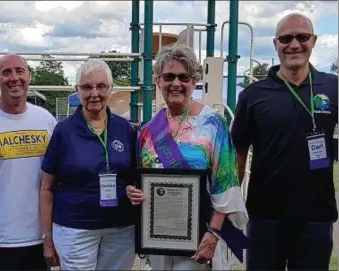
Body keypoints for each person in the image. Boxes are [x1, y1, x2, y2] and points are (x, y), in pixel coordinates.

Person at [127, 44, 249, 270]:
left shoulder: (213, 124)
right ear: (158, 81)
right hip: (158, 236)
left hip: (200, 236)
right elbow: (139, 178)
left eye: (184, 77)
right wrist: (134, 192)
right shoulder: (147, 130)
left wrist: (213, 234)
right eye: (169, 76)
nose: (176, 83)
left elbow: (226, 184)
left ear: (194, 82)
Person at [231, 13, 338, 270]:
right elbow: (239, 151)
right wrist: (232, 204)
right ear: (276, 43)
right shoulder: (253, 95)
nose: (294, 44)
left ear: (314, 40)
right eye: (286, 38)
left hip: (316, 217)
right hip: (266, 217)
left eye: (302, 37)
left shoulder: (334, 87)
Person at [40, 58, 137, 270]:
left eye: (101, 86)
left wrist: (133, 189)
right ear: (77, 90)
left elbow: (135, 177)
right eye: (86, 87)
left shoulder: (125, 129)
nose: (94, 93)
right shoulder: (63, 131)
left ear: (111, 89)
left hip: (120, 228)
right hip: (75, 229)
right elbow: (46, 187)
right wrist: (47, 239)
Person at [0, 54, 57, 270]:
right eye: (6, 72)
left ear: (29, 76)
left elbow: (58, 180)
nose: (14, 77)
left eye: (19, 71)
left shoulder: (46, 120)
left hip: (39, 240)